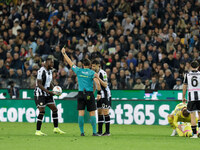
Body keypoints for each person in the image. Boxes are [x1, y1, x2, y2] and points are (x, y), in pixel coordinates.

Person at [61, 47, 101, 136]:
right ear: (90, 65)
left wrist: (64, 53)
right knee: (92, 113)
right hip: (89, 94)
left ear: (83, 65)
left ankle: (82, 132)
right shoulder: (92, 73)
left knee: (81, 113)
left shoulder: (79, 70)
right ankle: (94, 132)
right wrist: (98, 93)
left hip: (80, 94)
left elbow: (70, 63)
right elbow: (97, 83)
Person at [34, 58, 65, 136]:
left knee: (54, 109)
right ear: (46, 62)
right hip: (40, 93)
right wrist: (48, 92)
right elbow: (39, 84)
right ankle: (38, 131)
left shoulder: (50, 71)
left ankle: (56, 128)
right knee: (42, 111)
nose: (53, 64)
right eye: (51, 62)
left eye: (53, 62)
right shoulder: (41, 71)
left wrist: (55, 89)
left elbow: (49, 82)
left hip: (47, 94)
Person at [91, 60, 112, 136]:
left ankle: (107, 132)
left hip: (105, 95)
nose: (92, 68)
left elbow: (105, 85)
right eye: (92, 66)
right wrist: (92, 93)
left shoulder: (103, 73)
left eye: (94, 66)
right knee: (99, 112)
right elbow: (94, 85)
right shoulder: (93, 73)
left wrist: (98, 78)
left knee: (105, 112)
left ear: (98, 66)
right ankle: (99, 132)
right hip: (99, 95)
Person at [183, 61, 200, 138]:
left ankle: (195, 134)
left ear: (190, 66)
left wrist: (183, 96)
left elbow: (185, 86)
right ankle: (199, 130)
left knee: (192, 115)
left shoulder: (187, 75)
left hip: (191, 97)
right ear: (198, 66)